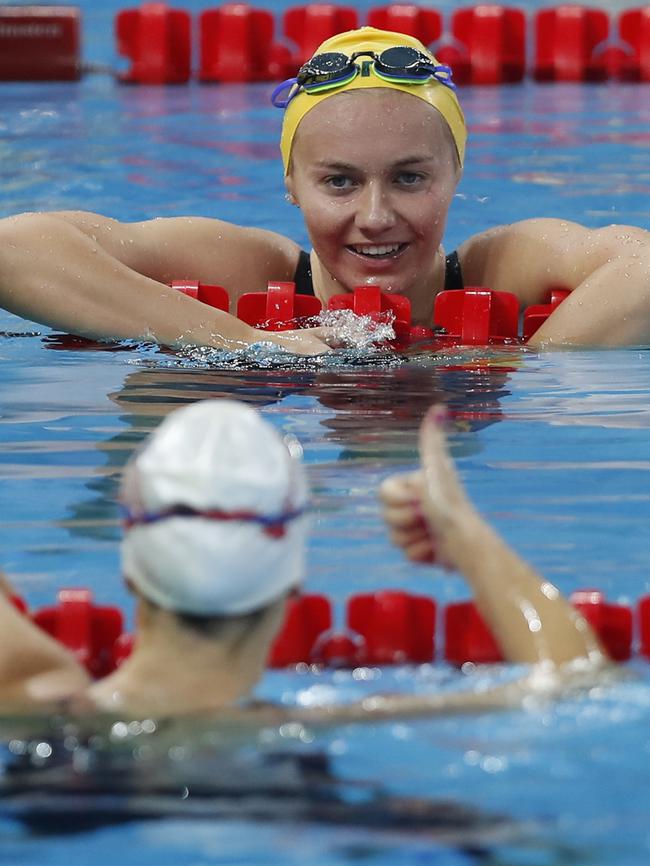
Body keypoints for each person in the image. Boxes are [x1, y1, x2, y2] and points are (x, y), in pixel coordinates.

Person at [0, 27, 649, 355]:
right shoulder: (246, 266)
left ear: (455, 173)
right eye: (339, 181)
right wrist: (245, 345)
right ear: (291, 184)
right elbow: (15, 249)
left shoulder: (501, 262)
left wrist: (528, 367)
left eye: (410, 178)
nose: (375, 216)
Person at [0, 399, 607, 720]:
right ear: (293, 587)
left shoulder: (31, 696)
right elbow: (576, 683)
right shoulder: (320, 726)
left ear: (131, 571)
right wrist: (463, 530)